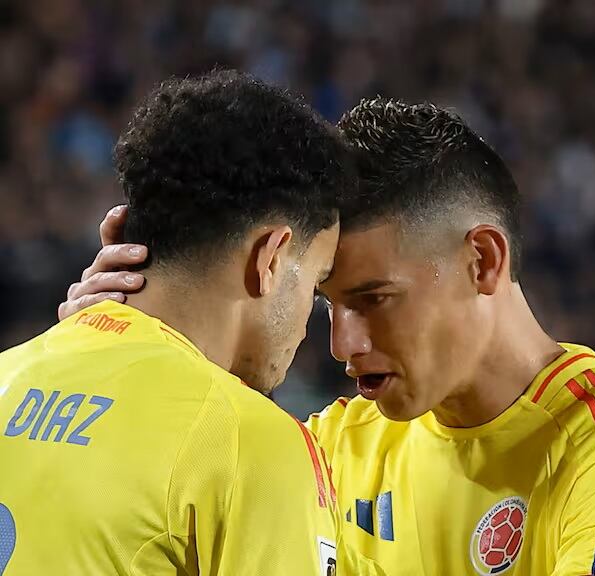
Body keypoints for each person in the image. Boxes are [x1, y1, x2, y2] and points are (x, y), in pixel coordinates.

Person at [59, 97, 595, 576]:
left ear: (482, 260)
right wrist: (117, 352)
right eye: (326, 304)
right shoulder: (330, 452)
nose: (342, 344)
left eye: (373, 300)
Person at [0, 70, 377, 575]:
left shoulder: (10, 371)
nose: (313, 331)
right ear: (270, 257)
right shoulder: (247, 440)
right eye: (314, 283)